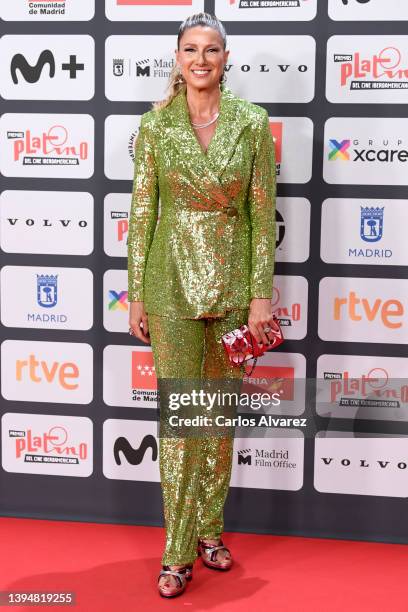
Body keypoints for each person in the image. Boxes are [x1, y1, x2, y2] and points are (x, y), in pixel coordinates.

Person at [127, 12, 277, 598]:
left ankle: (210, 529)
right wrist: (136, 291)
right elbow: (143, 214)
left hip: (237, 291)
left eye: (211, 50)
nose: (201, 59)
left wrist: (261, 298)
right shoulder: (156, 125)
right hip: (169, 288)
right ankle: (177, 550)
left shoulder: (252, 123)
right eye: (191, 49)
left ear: (225, 58)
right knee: (181, 423)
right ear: (178, 57)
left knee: (216, 420)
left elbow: (260, 217)